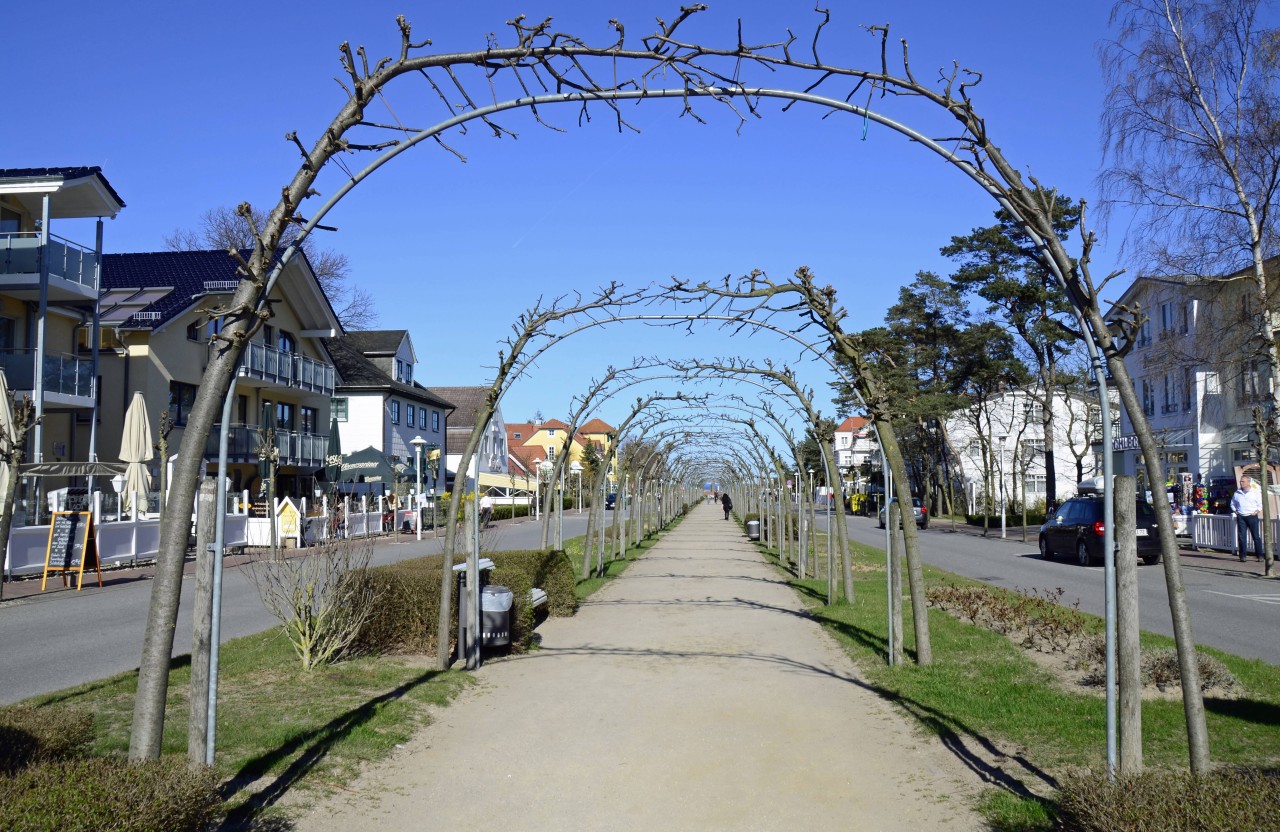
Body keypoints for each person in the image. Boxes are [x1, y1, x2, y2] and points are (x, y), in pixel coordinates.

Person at [1231, 474, 1264, 562]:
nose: (1241, 483)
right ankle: (1243, 556)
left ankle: (1260, 555)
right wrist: (1235, 511)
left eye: (1243, 481)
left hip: (1251, 516)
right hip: (1241, 516)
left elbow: (1260, 504)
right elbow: (1232, 503)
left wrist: (1257, 511)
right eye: (1241, 481)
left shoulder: (1255, 492)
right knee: (1242, 537)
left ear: (1248, 482)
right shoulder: (1237, 493)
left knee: (1256, 536)